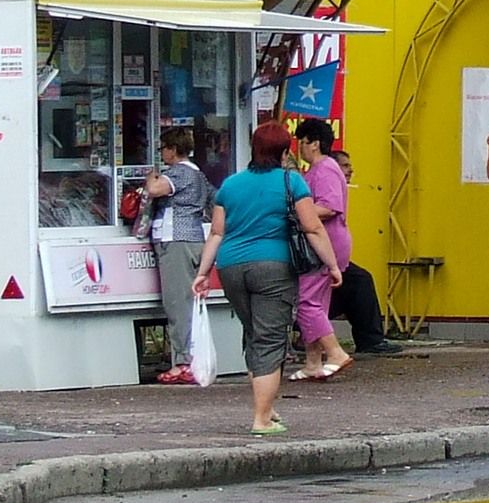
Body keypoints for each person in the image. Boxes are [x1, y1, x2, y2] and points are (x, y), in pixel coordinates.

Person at [193, 120, 340, 436]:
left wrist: (202, 272)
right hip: (274, 268)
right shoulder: (292, 182)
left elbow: (217, 232)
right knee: (270, 339)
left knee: (254, 334)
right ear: (285, 150)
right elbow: (313, 227)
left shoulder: (231, 185)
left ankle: (269, 410)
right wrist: (332, 265)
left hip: (231, 267)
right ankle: (261, 418)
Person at [145, 127, 211, 385]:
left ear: (173, 149)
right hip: (194, 237)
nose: (162, 154)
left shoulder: (180, 173)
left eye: (163, 149)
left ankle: (183, 361)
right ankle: (191, 357)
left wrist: (151, 175)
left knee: (177, 303)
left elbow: (155, 189)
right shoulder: (199, 175)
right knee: (189, 302)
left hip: (176, 239)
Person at [292, 119, 356, 382]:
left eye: (303, 143)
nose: (301, 149)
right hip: (325, 243)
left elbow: (330, 206)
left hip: (322, 244)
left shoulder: (325, 169)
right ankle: (312, 361)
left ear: (315, 144)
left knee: (306, 302)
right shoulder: (318, 170)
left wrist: (294, 210)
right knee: (317, 304)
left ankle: (335, 352)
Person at [327, 149, 401, 356]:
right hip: (324, 259)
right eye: (345, 165)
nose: (351, 170)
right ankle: (369, 340)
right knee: (358, 282)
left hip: (335, 259)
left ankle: (369, 339)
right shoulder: (325, 185)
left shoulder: (338, 188)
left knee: (358, 282)